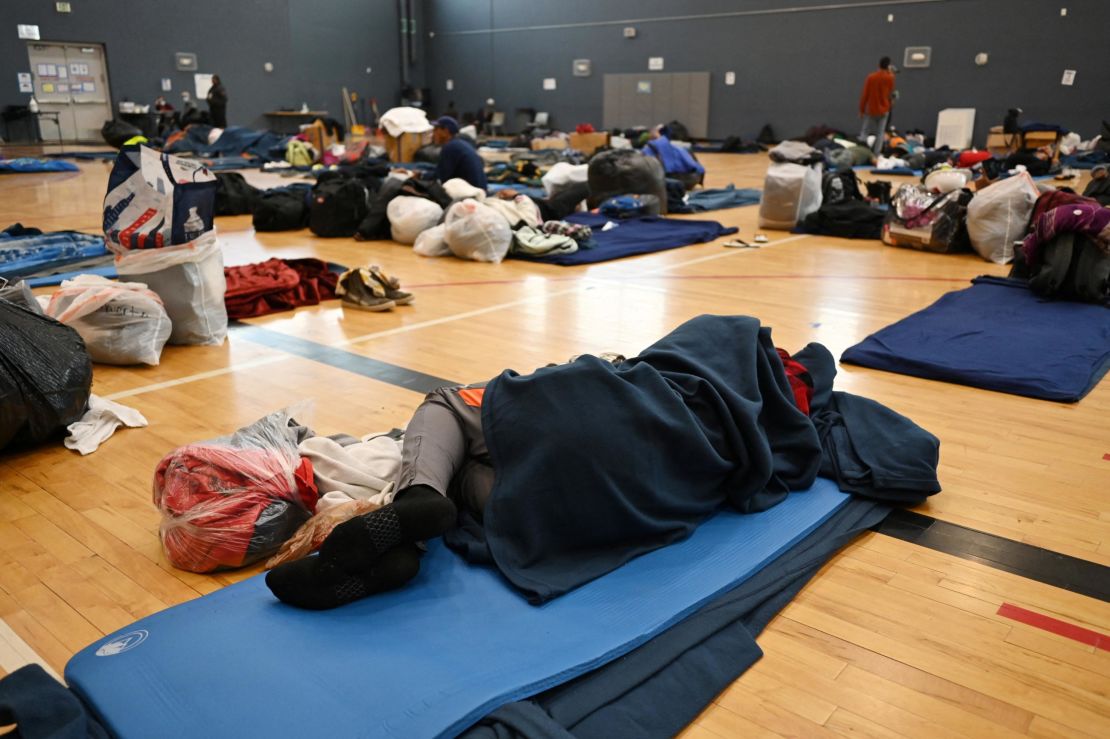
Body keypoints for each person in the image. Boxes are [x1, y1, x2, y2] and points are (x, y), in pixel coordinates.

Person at [431, 115, 487, 189]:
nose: (433, 134)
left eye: (435, 129)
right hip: (479, 189)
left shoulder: (450, 147)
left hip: (471, 194)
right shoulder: (459, 143)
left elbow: (441, 176)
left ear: (445, 131)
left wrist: (421, 175)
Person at [644, 125, 705, 191]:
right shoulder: (678, 148)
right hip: (684, 181)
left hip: (661, 181)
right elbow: (693, 165)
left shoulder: (645, 150)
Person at [858, 57, 896, 155]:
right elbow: (890, 93)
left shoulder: (871, 77)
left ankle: (861, 151)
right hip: (884, 109)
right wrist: (890, 72)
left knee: (865, 131)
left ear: (878, 65)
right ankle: (876, 154)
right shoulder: (890, 77)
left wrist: (861, 109)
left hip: (871, 109)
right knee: (880, 133)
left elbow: (865, 94)